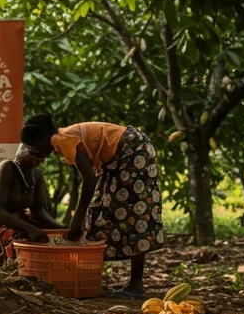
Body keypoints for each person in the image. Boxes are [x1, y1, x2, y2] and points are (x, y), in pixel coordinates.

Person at [19, 114, 165, 296]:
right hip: (117, 158)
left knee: (134, 213)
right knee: (101, 211)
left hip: (132, 150)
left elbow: (89, 181)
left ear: (45, 138)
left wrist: (76, 220)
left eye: (36, 147)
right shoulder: (63, 139)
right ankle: (89, 277)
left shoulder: (61, 139)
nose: (37, 152)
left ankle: (136, 284)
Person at [0, 115, 63, 266]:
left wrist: (63, 229)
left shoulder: (36, 174)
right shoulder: (5, 169)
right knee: (24, 242)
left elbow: (38, 211)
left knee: (51, 239)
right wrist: (30, 229)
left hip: (18, 224)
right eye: (49, 141)